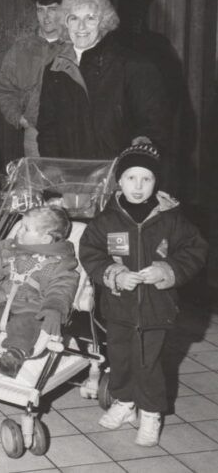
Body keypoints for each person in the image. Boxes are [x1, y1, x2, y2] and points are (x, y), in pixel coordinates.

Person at [80, 144, 207, 446]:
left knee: (149, 362)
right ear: (119, 182)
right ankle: (124, 402)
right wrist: (114, 273)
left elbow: (196, 249)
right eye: (131, 178)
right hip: (117, 306)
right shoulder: (106, 219)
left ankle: (150, 413)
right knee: (121, 357)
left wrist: (167, 269)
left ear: (156, 183)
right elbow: (90, 252)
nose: (138, 186)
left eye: (146, 179)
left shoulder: (171, 218)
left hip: (157, 308)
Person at [37, 0, 166, 160]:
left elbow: (152, 129)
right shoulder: (54, 70)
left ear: (104, 22)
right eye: (73, 18)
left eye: (90, 18)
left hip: (117, 176)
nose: (81, 26)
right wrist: (57, 173)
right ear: (65, 23)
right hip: (70, 178)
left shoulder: (133, 66)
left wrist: (129, 171)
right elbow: (47, 131)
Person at [0, 206, 79, 380]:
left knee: (27, 324)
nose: (18, 230)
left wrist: (54, 309)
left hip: (32, 303)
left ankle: (12, 358)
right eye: (21, 225)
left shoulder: (59, 263)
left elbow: (61, 287)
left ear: (46, 238)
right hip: (0, 296)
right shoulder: (7, 249)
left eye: (26, 228)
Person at [0, 0, 69, 157]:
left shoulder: (77, 48)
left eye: (52, 9)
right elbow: (5, 89)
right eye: (40, 10)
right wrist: (20, 119)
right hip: (34, 135)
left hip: (72, 134)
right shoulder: (21, 49)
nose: (46, 16)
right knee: (37, 183)